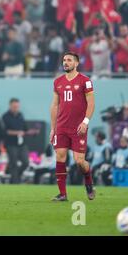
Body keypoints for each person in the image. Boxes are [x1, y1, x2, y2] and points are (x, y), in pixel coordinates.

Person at [49, 52, 96, 201]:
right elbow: (54, 105)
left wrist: (85, 122)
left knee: (79, 161)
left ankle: (88, 182)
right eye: (64, 60)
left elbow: (91, 103)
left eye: (69, 60)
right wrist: (53, 128)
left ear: (77, 63)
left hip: (78, 127)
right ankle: (62, 194)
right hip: (62, 126)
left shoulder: (85, 81)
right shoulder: (57, 82)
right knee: (60, 156)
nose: (66, 63)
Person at [2, 98, 30, 184]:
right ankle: (15, 182)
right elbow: (5, 131)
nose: (16, 108)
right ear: (10, 106)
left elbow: (25, 128)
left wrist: (26, 132)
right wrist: (16, 132)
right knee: (13, 162)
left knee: (26, 162)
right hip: (11, 143)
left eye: (17, 106)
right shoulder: (5, 116)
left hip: (21, 143)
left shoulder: (21, 115)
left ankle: (16, 176)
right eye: (14, 106)